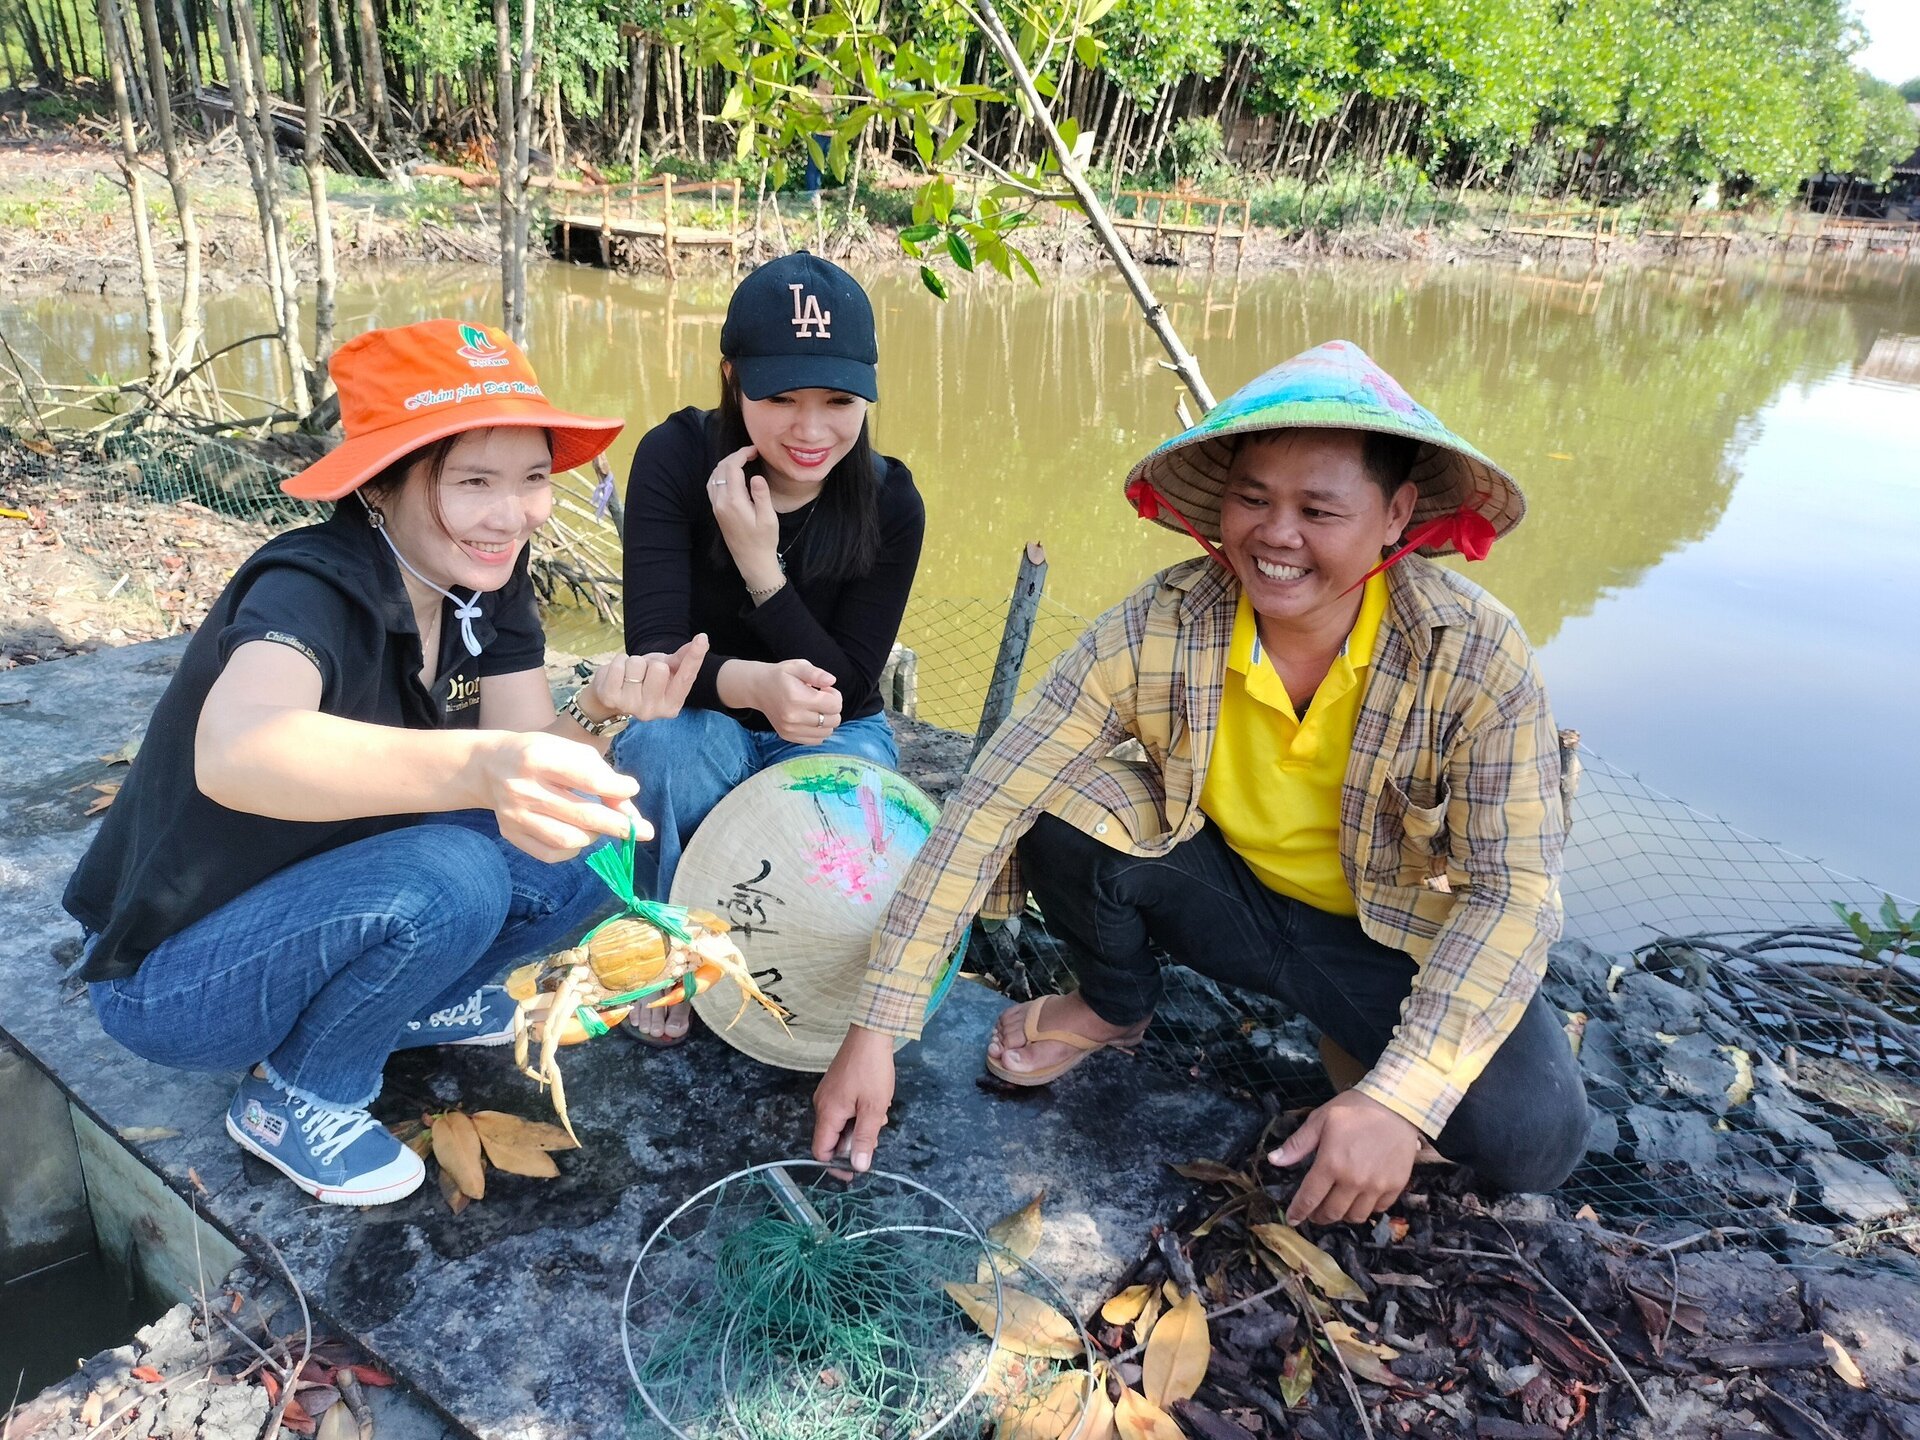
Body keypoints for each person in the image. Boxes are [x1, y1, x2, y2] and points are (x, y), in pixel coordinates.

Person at [812, 340, 1589, 1224]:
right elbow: (993, 796)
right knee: (1055, 802)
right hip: (1226, 897)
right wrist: (877, 1031)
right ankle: (1113, 1007)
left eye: (1318, 509)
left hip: (1391, 938)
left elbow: (1513, 895)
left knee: (1534, 1140)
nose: (1277, 536)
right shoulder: (1167, 620)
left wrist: (1402, 1098)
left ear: (1396, 514)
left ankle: (1362, 1059)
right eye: (1252, 500)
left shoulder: (1474, 654)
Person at [64, 320, 707, 1207]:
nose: (511, 514)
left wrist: (596, 708)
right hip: (175, 974)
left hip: (334, 895)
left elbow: (532, 749)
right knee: (456, 873)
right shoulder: (311, 586)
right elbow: (235, 748)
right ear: (383, 483)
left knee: (607, 837)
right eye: (474, 481)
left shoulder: (489, 577)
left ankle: (411, 1003)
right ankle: (296, 1094)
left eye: (530, 480)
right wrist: (479, 768)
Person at [615, 252, 925, 1047]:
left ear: (868, 391)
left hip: (835, 723)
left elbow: (848, 687)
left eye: (839, 400)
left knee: (858, 815)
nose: (812, 429)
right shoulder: (674, 459)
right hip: (696, 712)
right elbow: (654, 662)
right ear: (732, 377)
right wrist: (754, 684)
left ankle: (783, 957)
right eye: (781, 397)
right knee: (661, 746)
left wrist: (761, 567)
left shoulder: (891, 501)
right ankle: (668, 940)